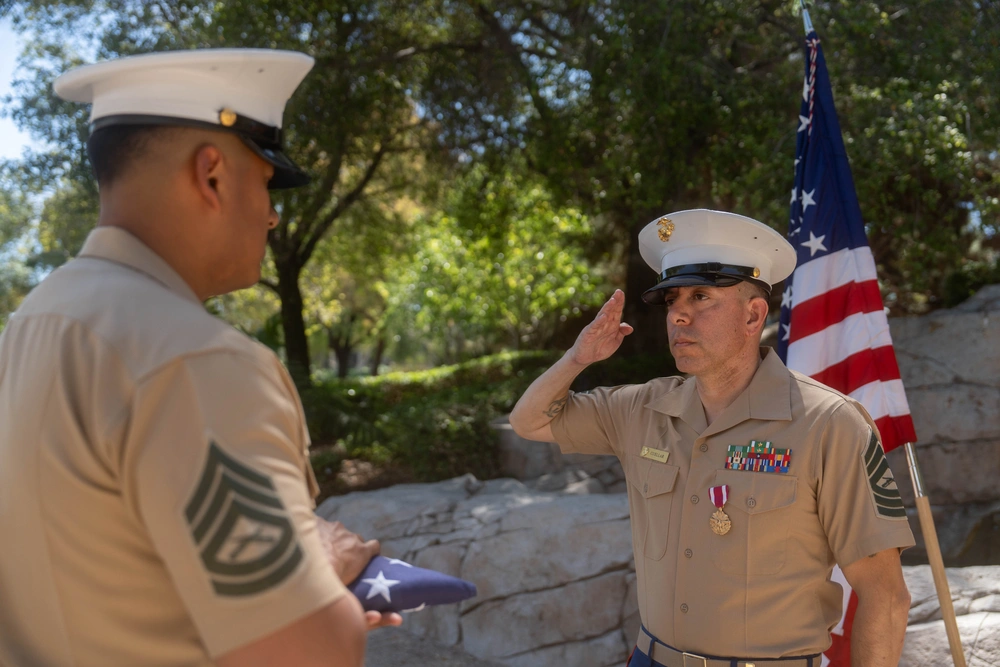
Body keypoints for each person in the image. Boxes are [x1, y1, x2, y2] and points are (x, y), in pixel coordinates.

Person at [0, 49, 400, 667]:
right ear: (211, 174)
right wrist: (323, 569)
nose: (271, 215)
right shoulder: (199, 362)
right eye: (267, 184)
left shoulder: (30, 326)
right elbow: (305, 653)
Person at [509, 209, 915, 667]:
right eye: (672, 301)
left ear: (752, 314)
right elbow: (530, 421)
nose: (679, 314)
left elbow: (885, 595)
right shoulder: (641, 409)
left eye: (701, 296)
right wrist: (577, 358)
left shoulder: (829, 424)